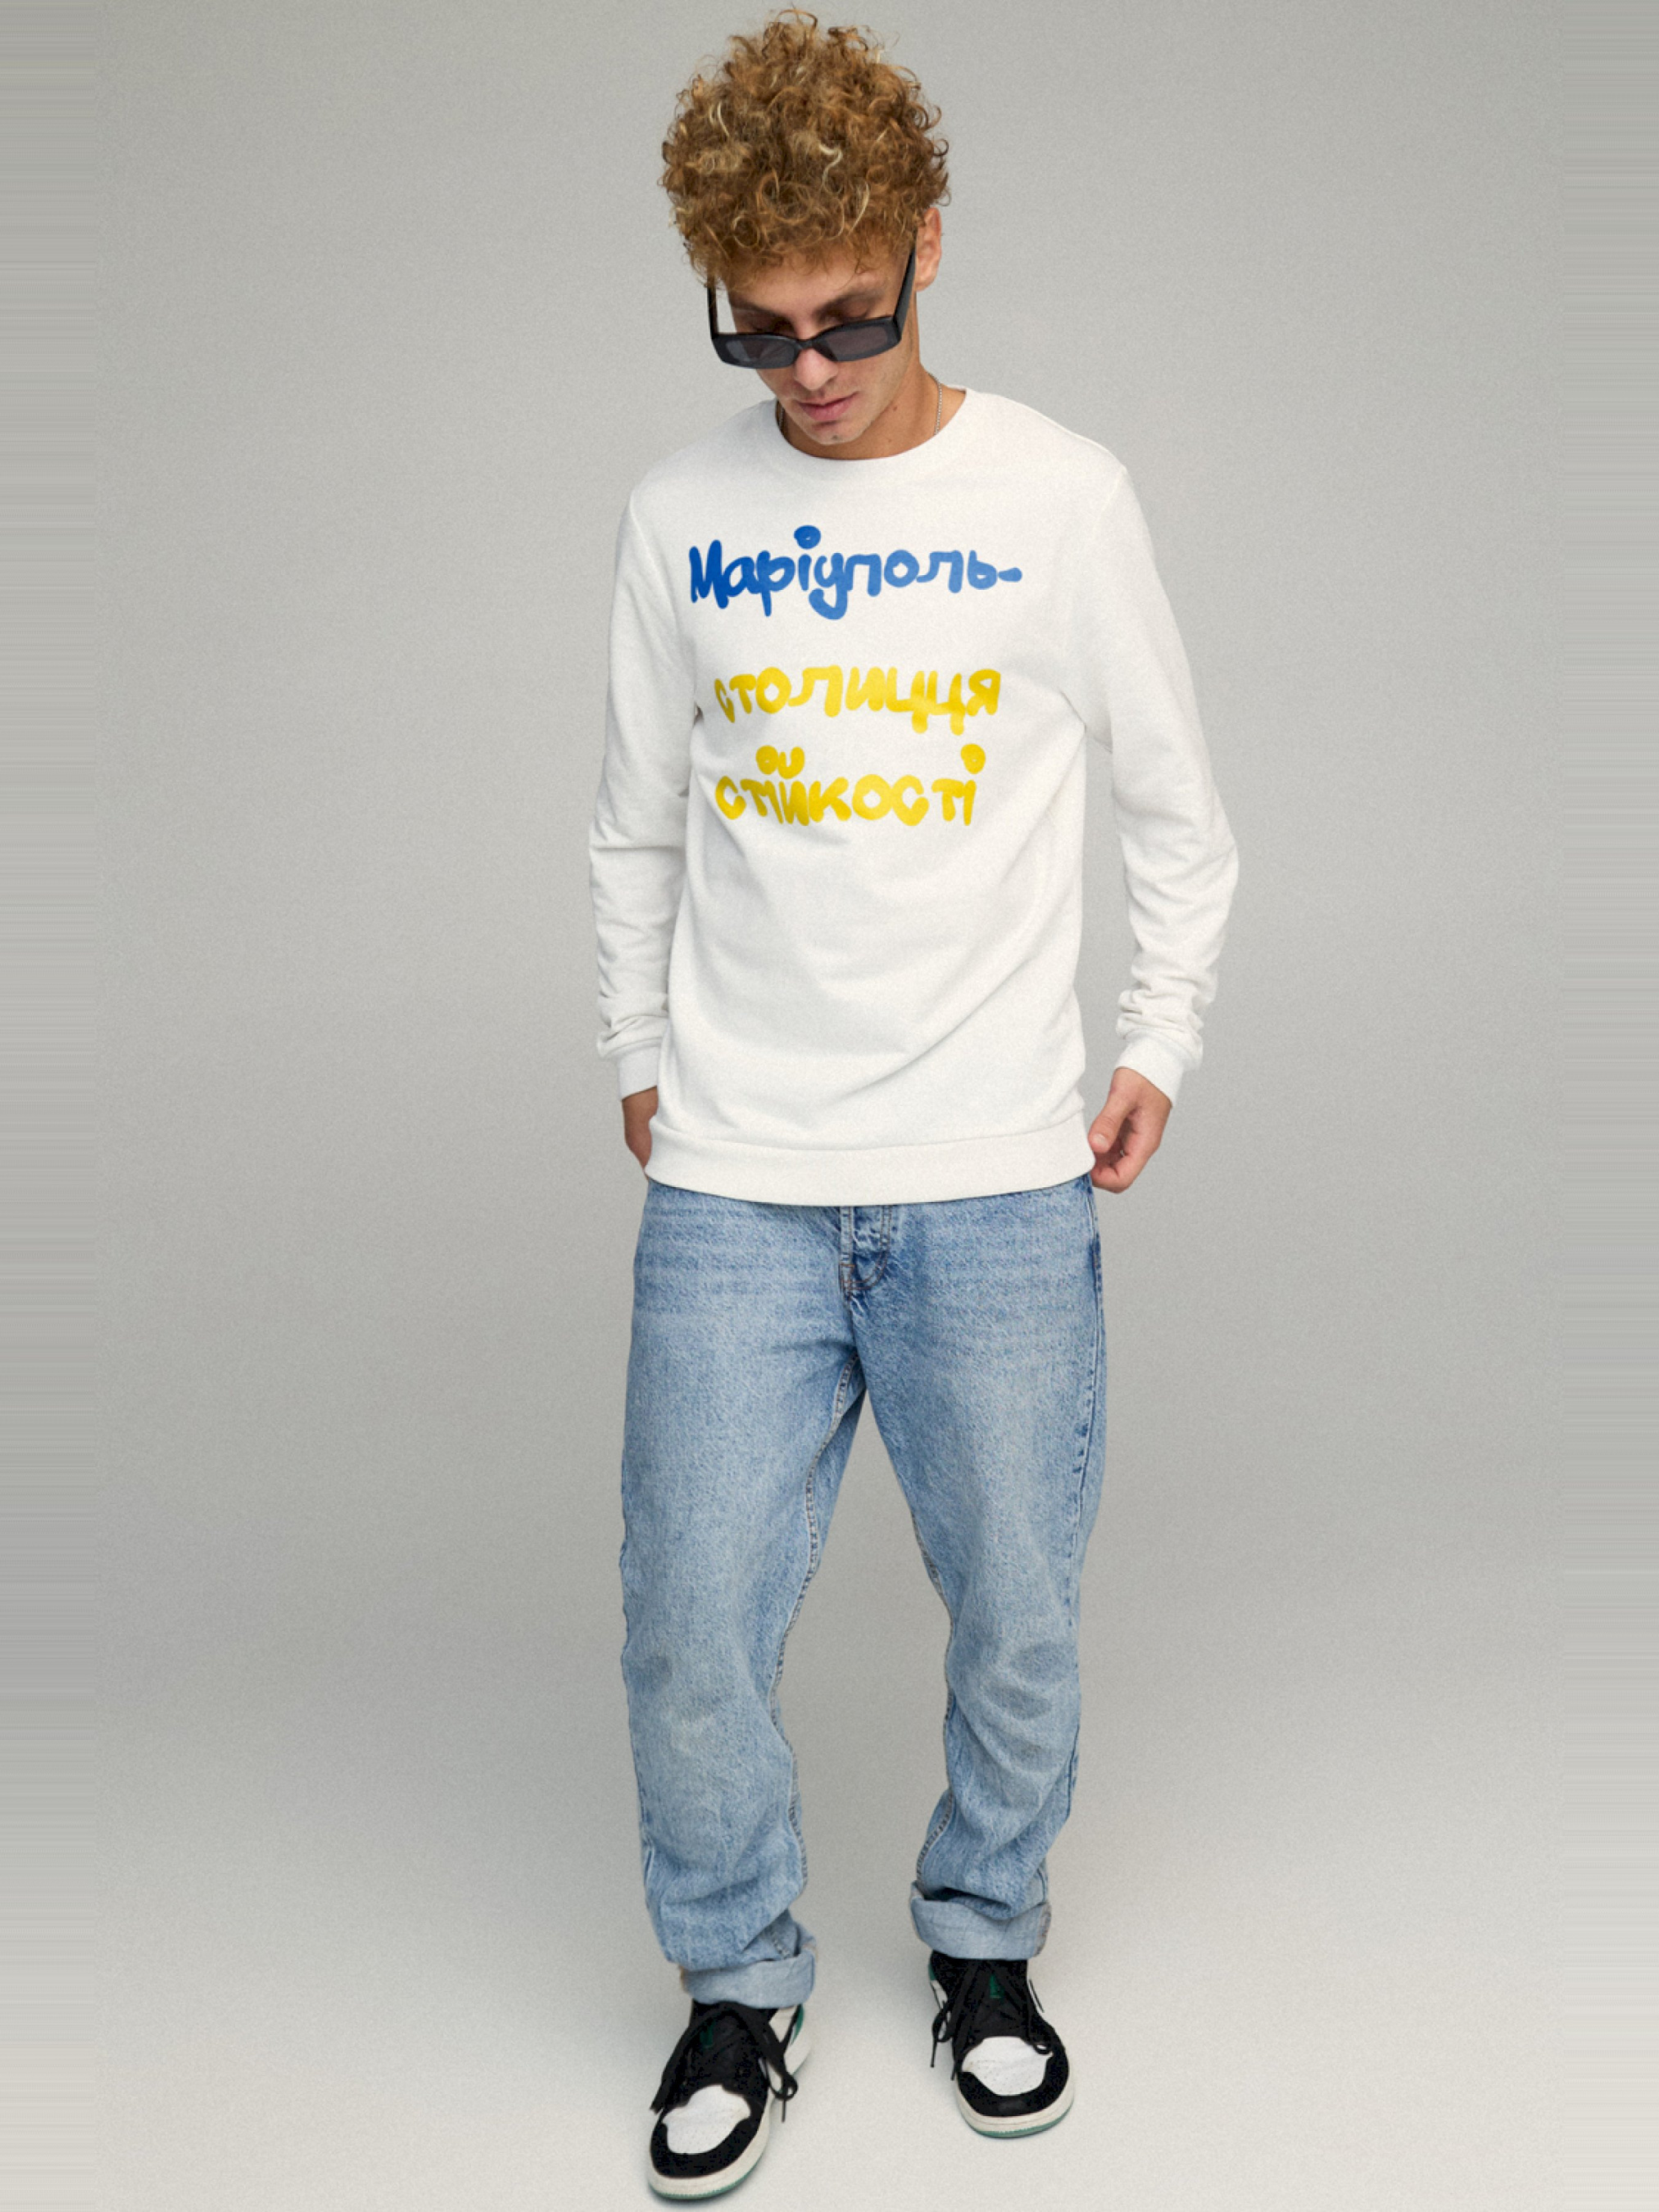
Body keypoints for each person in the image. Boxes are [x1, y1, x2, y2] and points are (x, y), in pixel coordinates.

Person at [587, 10, 1239, 2196]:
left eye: (849, 317)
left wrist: (1155, 1037)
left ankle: (982, 1944)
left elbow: (1180, 812)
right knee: (687, 1621)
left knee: (1019, 1614)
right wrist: (637, 1053)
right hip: (741, 1179)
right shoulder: (679, 516)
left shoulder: (1059, 498)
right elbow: (634, 823)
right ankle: (734, 1985)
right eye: (759, 330)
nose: (809, 371)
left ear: (925, 249)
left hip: (993, 1173)